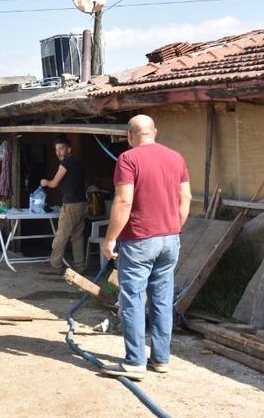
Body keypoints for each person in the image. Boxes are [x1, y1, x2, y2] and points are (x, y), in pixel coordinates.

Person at [100, 115, 191, 380]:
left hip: (139, 240)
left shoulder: (128, 159)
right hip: (169, 239)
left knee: (133, 299)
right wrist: (175, 226)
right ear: (155, 132)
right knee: (162, 300)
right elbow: (185, 196)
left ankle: (135, 362)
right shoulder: (177, 158)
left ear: (130, 135)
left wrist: (109, 240)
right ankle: (161, 359)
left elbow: (124, 201)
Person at [39, 136, 88, 273]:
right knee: (77, 237)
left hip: (71, 205)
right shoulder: (78, 163)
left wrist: (45, 182)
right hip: (82, 204)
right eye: (56, 150)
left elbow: (54, 183)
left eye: (61, 148)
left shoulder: (66, 163)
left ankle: (55, 266)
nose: (58, 152)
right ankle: (80, 267)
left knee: (61, 235)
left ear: (69, 149)